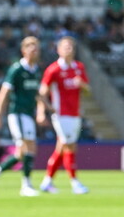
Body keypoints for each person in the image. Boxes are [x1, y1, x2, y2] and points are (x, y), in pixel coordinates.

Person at [0, 36, 50, 196]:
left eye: (36, 47)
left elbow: (38, 94)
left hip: (28, 114)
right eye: (30, 47)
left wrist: (45, 109)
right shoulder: (17, 69)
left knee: (21, 152)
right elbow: (4, 92)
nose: (34, 50)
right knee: (28, 146)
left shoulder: (36, 70)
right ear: (23, 50)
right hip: (18, 114)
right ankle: (26, 185)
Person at [38, 36, 91, 194]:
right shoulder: (53, 69)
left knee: (62, 147)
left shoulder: (79, 67)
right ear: (58, 50)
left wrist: (82, 85)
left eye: (71, 47)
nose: (69, 49)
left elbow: (88, 91)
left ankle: (47, 181)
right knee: (70, 146)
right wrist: (43, 111)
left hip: (75, 113)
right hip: (61, 114)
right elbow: (42, 92)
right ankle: (75, 183)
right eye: (66, 47)